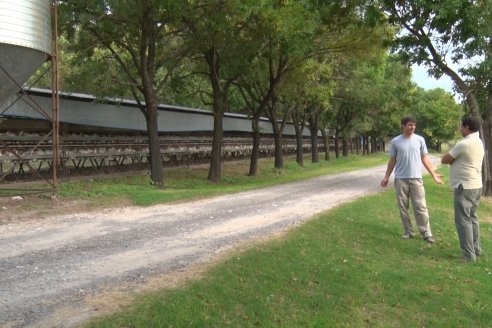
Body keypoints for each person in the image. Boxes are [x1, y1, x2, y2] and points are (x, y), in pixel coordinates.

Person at [380, 116, 443, 243]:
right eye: (409, 125)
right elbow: (392, 160)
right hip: (401, 179)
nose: (412, 127)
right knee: (403, 207)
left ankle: (426, 233)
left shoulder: (420, 140)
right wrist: (387, 176)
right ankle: (408, 231)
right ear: (403, 126)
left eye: (414, 125)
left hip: (416, 179)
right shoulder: (396, 141)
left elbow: (425, 159)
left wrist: (433, 174)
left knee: (420, 206)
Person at [441, 115, 485, 262]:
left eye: (462, 126)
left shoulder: (464, 143)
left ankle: (468, 255)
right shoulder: (478, 141)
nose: (460, 129)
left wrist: (452, 160)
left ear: (467, 127)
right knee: (472, 218)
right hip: (476, 185)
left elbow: (445, 159)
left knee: (463, 220)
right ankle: (476, 249)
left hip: (464, 187)